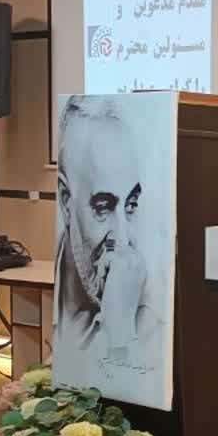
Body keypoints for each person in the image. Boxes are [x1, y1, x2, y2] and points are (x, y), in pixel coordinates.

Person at [54, 95, 165, 367]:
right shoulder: (58, 299)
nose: (122, 239)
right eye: (103, 208)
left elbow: (127, 388)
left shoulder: (151, 327)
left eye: (131, 205)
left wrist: (120, 336)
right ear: (66, 202)